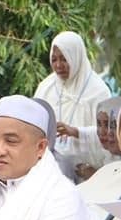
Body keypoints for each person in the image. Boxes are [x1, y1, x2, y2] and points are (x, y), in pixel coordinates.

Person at [34, 31, 111, 180]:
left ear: (76, 57)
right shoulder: (46, 88)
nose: (58, 65)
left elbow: (109, 135)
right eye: (54, 59)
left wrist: (76, 132)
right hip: (51, 173)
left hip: (89, 174)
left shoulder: (98, 91)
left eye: (64, 59)